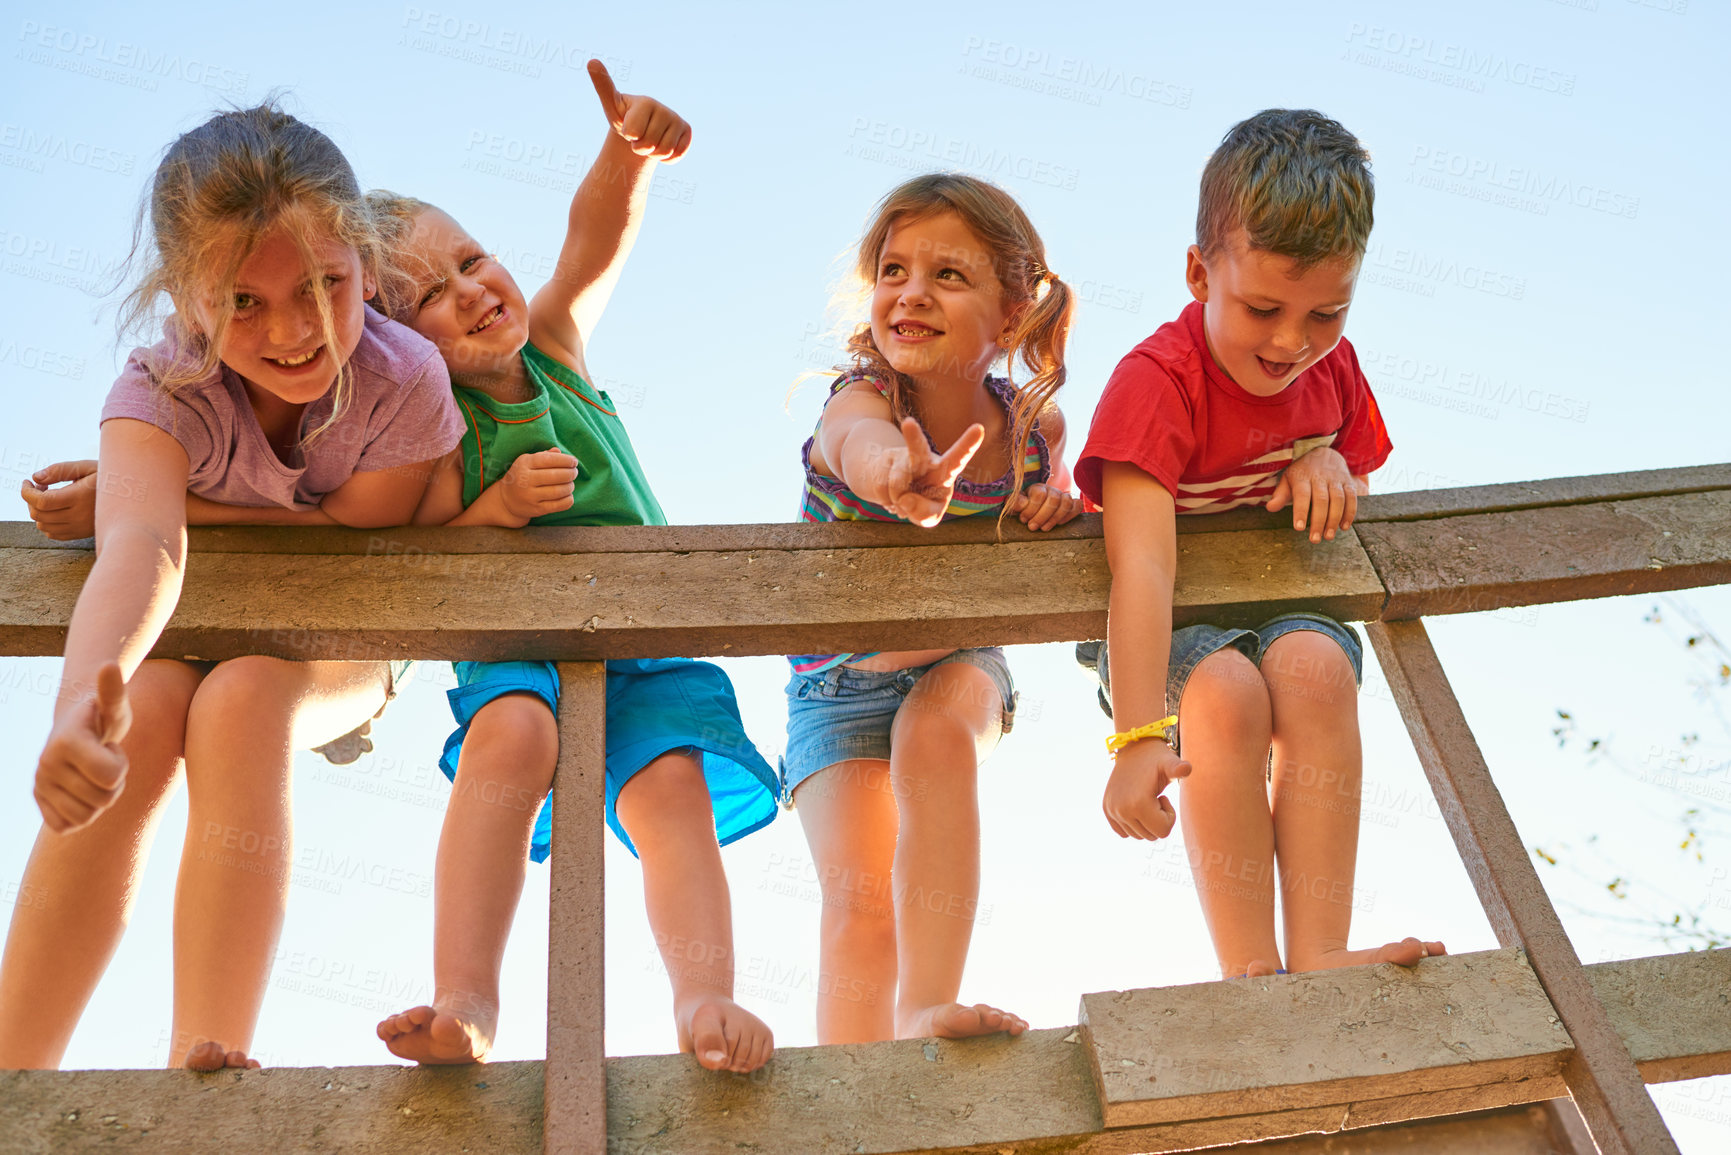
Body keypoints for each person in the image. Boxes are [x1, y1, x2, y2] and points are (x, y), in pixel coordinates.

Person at [0, 102, 463, 1071]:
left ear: (366, 267)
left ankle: (207, 1065)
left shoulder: (404, 378)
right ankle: (11, 1062)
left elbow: (353, 533)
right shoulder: (158, 395)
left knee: (243, 698)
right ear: (183, 296)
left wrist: (181, 502)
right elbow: (140, 550)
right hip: (178, 641)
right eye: (241, 302)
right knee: (150, 704)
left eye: (322, 287)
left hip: (341, 641)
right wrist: (79, 707)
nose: (292, 331)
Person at [364, 62, 778, 1072]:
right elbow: (418, 560)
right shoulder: (429, 427)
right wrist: (496, 511)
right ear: (389, 346)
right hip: (514, 641)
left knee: (672, 786)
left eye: (472, 260)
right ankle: (466, 1002)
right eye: (429, 297)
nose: (471, 293)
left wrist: (625, 156)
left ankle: (705, 998)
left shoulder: (552, 344)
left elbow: (592, 243)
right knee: (510, 736)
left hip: (643, 634)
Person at [1073, 109, 1446, 980]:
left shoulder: (1332, 373)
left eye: (1327, 312)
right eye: (1263, 307)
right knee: (1229, 692)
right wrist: (1135, 738)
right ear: (1200, 272)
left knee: (1316, 673)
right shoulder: (1156, 383)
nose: (1290, 343)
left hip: (1288, 605)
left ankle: (1318, 947)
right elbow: (1141, 565)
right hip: (1163, 631)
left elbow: (1356, 474)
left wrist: (1332, 468)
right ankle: (1249, 968)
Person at [783, 172, 1078, 1044]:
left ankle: (926, 1004)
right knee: (858, 905)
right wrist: (895, 476)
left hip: (958, 659)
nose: (911, 292)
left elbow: (1054, 494)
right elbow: (855, 445)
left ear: (1014, 313)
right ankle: (847, 1099)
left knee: (935, 736)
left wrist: (1057, 504)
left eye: (948, 275)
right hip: (835, 686)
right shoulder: (864, 397)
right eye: (893, 270)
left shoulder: (1032, 429)